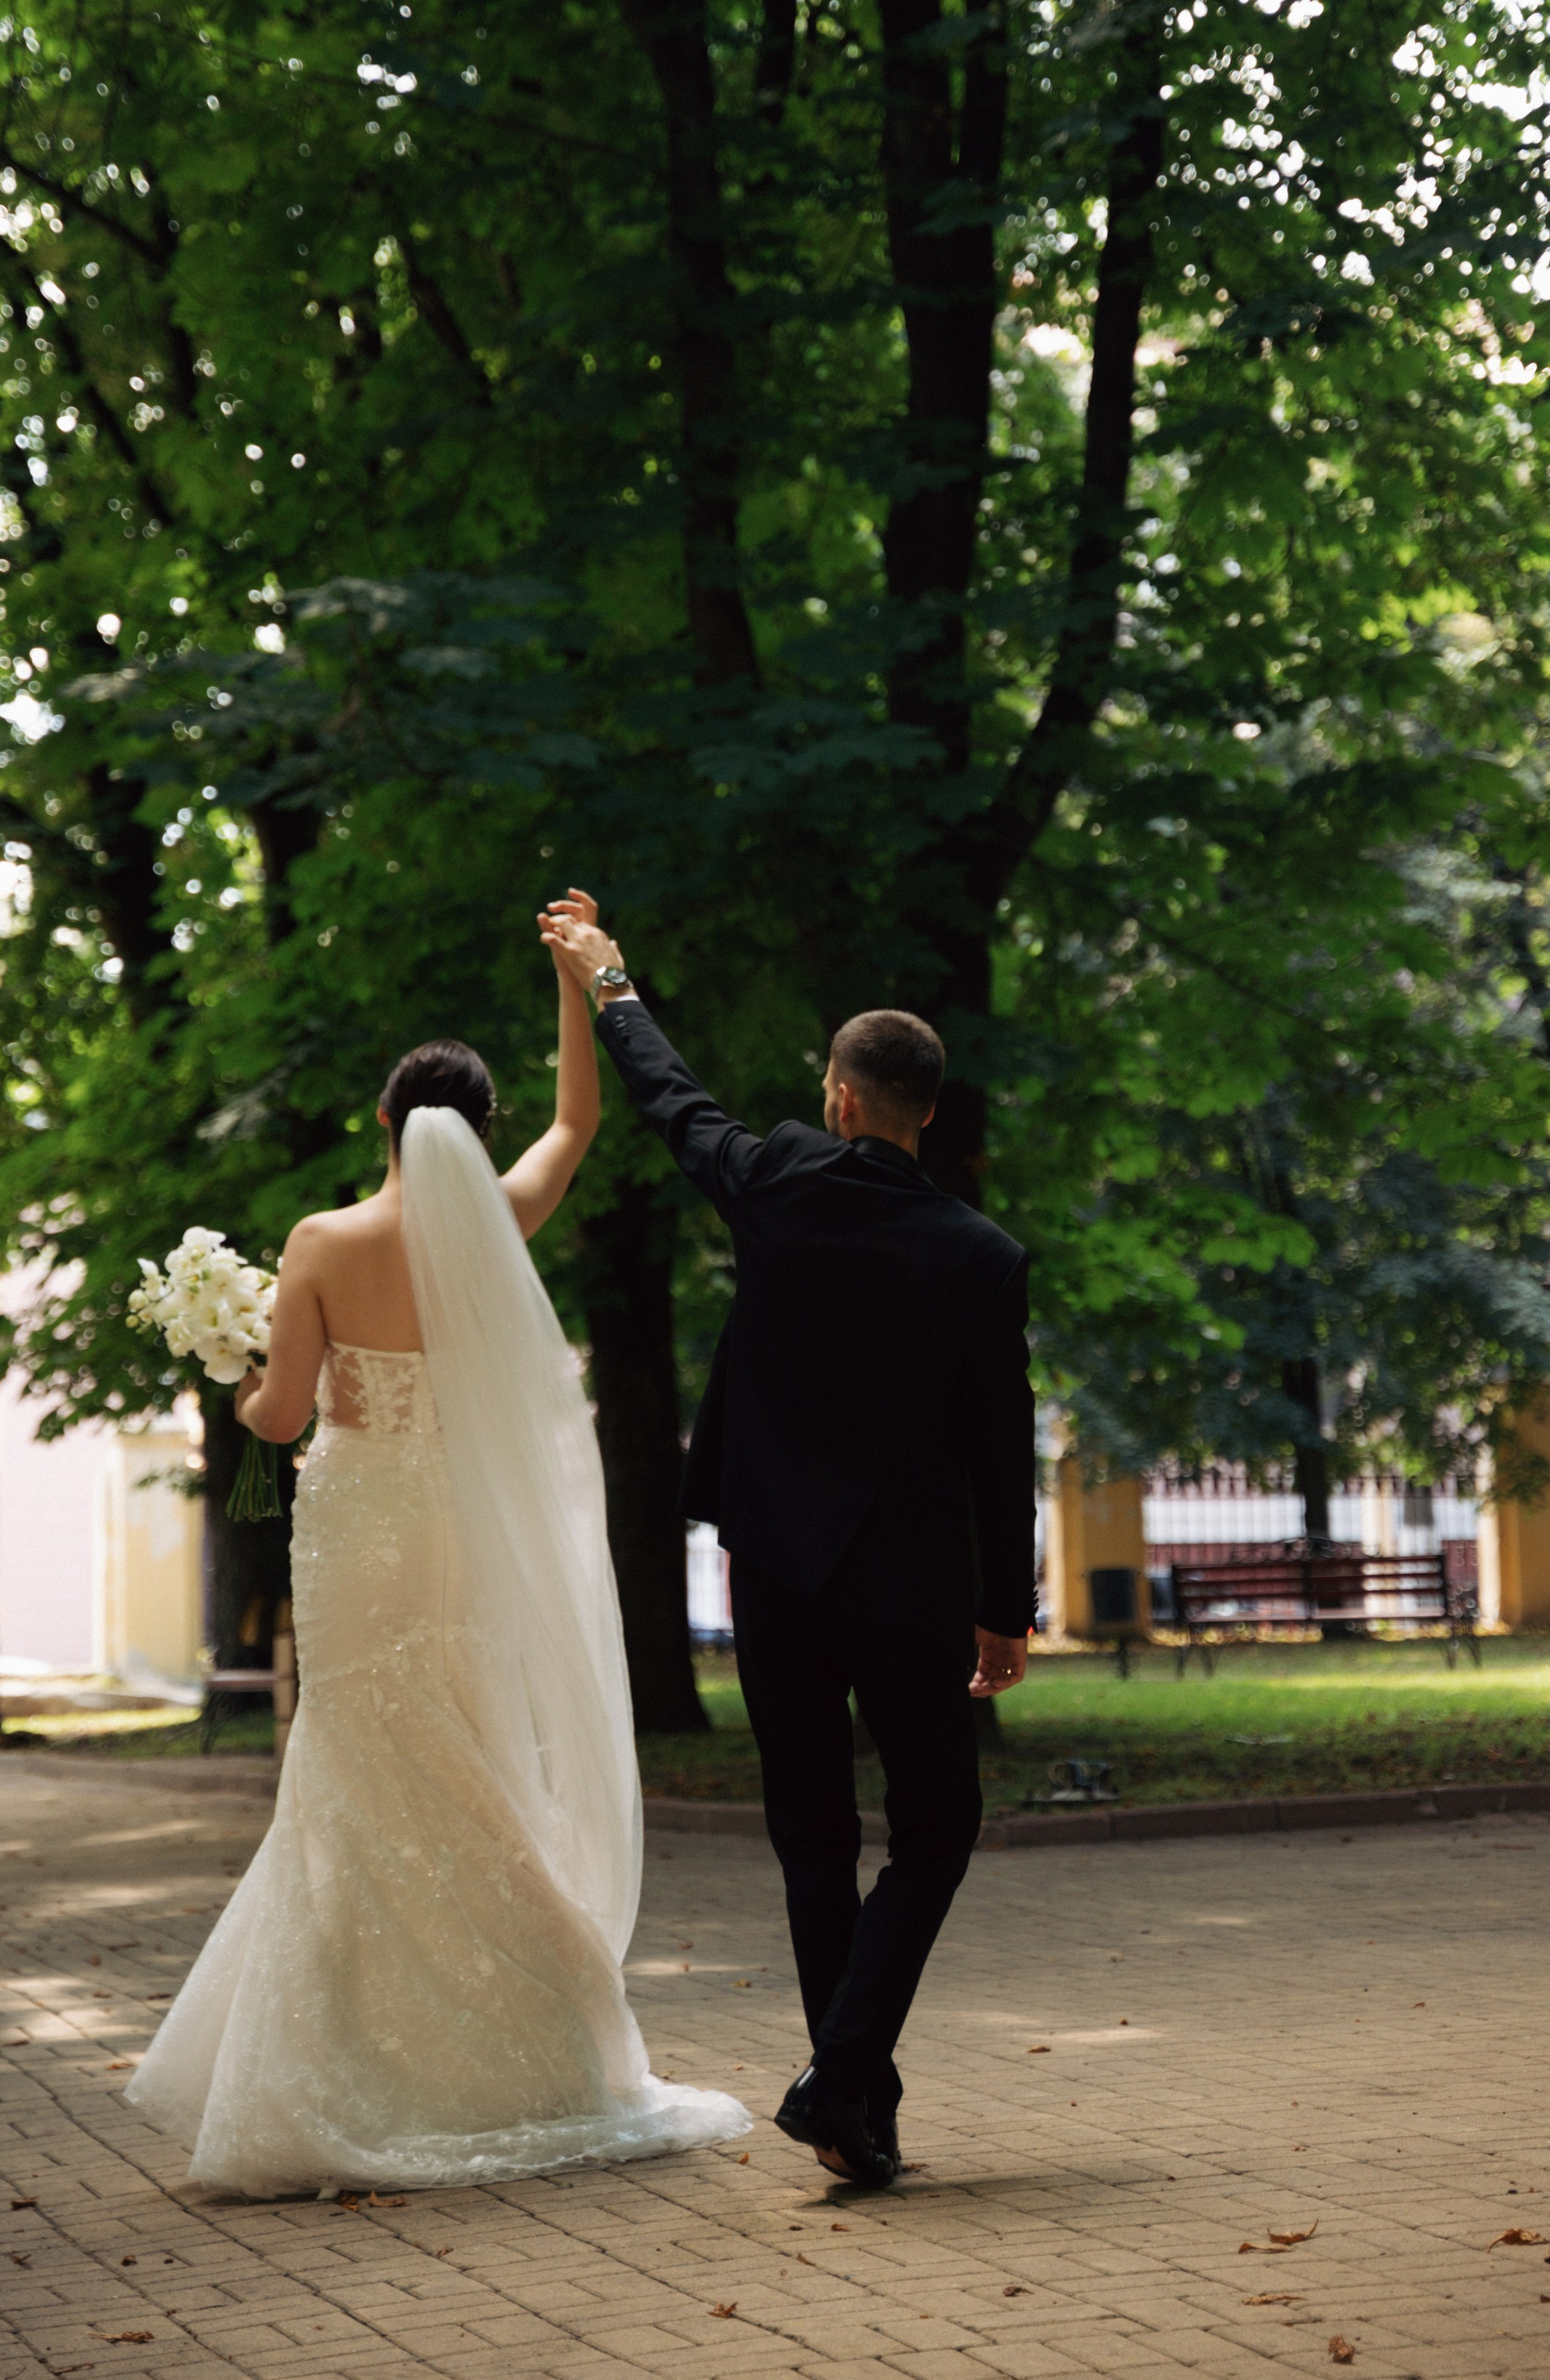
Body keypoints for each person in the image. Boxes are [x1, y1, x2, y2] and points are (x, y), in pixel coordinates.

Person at [125, 892, 747, 2197]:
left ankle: (352, 2065)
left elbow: (283, 1417)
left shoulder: (322, 1242)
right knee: (470, 1752)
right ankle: (530, 2046)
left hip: (361, 1526)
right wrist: (575, 980)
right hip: (464, 1521)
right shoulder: (499, 1227)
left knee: (355, 1757)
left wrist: (235, 1378)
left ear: (382, 1119)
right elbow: (578, 1123)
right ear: (479, 1129)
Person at [538, 901, 1037, 2192]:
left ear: (841, 1098)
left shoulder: (774, 1184)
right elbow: (1003, 1447)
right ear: (926, 1110)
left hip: (775, 1573)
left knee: (812, 1835)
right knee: (938, 1824)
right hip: (912, 1587)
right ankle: (846, 2085)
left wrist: (609, 980)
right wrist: (1007, 1609)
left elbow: (671, 1100)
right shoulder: (983, 1258)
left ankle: (850, 2095)